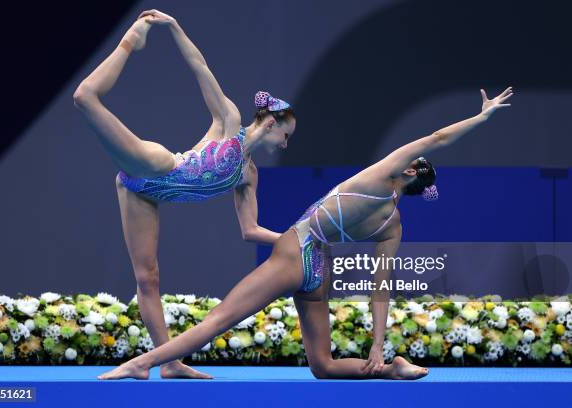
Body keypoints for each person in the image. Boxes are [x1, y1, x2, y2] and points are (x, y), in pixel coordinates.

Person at [96, 87, 514, 380]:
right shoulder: (394, 225)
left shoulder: (378, 175)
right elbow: (379, 291)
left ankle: (143, 362)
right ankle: (390, 370)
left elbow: (437, 137)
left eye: (414, 158)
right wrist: (376, 348)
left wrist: (480, 116)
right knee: (324, 366)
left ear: (408, 170)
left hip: (297, 250)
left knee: (218, 320)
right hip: (319, 271)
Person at [73, 9, 295, 378]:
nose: (285, 145)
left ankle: (170, 363)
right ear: (271, 123)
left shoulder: (248, 175)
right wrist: (174, 27)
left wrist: (291, 236)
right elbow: (199, 67)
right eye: (285, 136)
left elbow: (250, 231)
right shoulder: (229, 123)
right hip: (158, 166)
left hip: (142, 193)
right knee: (85, 97)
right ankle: (132, 38)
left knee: (148, 277)